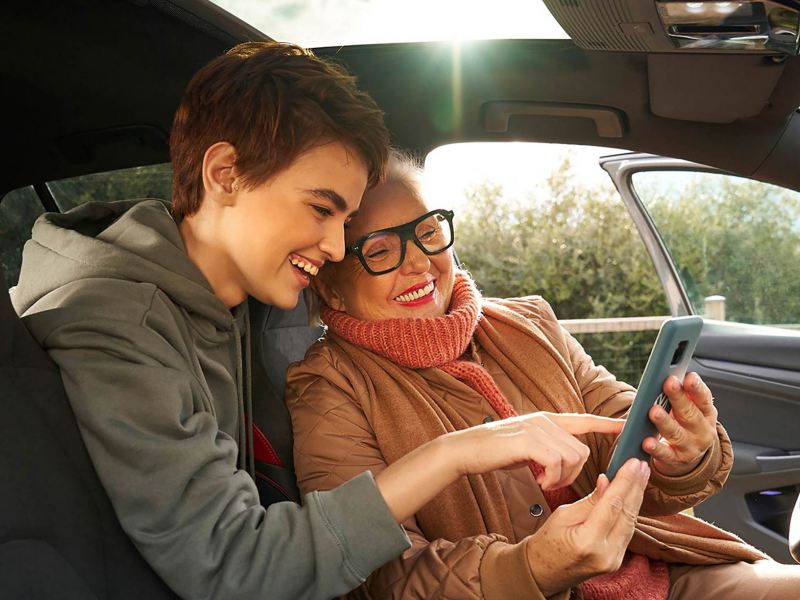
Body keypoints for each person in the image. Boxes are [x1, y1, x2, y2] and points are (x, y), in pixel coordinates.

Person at [10, 42, 629, 600]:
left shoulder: (226, 298)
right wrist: (454, 454)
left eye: (346, 219)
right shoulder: (116, 325)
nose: (337, 247)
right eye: (321, 209)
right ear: (224, 174)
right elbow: (235, 566)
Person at [286, 151, 800, 599]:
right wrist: (533, 566)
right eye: (379, 250)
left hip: (661, 577)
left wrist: (684, 452)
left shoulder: (529, 323)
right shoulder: (328, 387)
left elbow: (616, 422)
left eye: (427, 233)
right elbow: (379, 577)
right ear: (329, 288)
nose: (420, 263)